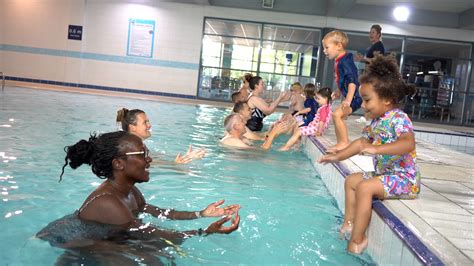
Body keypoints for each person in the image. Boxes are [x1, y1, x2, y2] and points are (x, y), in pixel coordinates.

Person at [37, 131, 240, 262]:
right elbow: (150, 233)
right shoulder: (108, 202)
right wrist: (205, 232)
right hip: (81, 250)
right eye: (142, 154)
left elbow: (160, 213)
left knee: (159, 256)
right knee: (155, 259)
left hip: (110, 239)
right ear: (119, 164)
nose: (149, 159)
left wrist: (201, 213)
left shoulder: (129, 191)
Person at [318, 55, 420, 254]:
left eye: (367, 100)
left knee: (365, 188)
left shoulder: (399, 118)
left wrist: (377, 149)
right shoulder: (376, 121)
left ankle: (358, 239)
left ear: (387, 100)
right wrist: (338, 156)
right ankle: (349, 223)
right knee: (351, 181)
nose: (363, 105)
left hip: (405, 179)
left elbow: (408, 144)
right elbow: (361, 143)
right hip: (385, 176)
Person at [116, 108, 205, 164]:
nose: (149, 125)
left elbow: (154, 160)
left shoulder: (136, 146)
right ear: (132, 127)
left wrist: (185, 157)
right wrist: (175, 164)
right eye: (145, 122)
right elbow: (148, 165)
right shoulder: (132, 150)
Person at [322, 30, 362, 151]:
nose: (324, 51)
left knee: (337, 115)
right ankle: (342, 142)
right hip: (351, 97)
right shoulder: (339, 61)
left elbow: (352, 82)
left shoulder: (346, 61)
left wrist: (348, 100)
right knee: (337, 116)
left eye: (327, 47)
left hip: (355, 97)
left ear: (339, 46)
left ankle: (344, 143)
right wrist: (339, 92)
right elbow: (342, 80)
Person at [220, 113, 287, 150]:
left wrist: (272, 131)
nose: (245, 123)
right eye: (242, 121)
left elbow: (260, 146)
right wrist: (272, 134)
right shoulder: (232, 140)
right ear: (236, 127)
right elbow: (262, 152)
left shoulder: (242, 138)